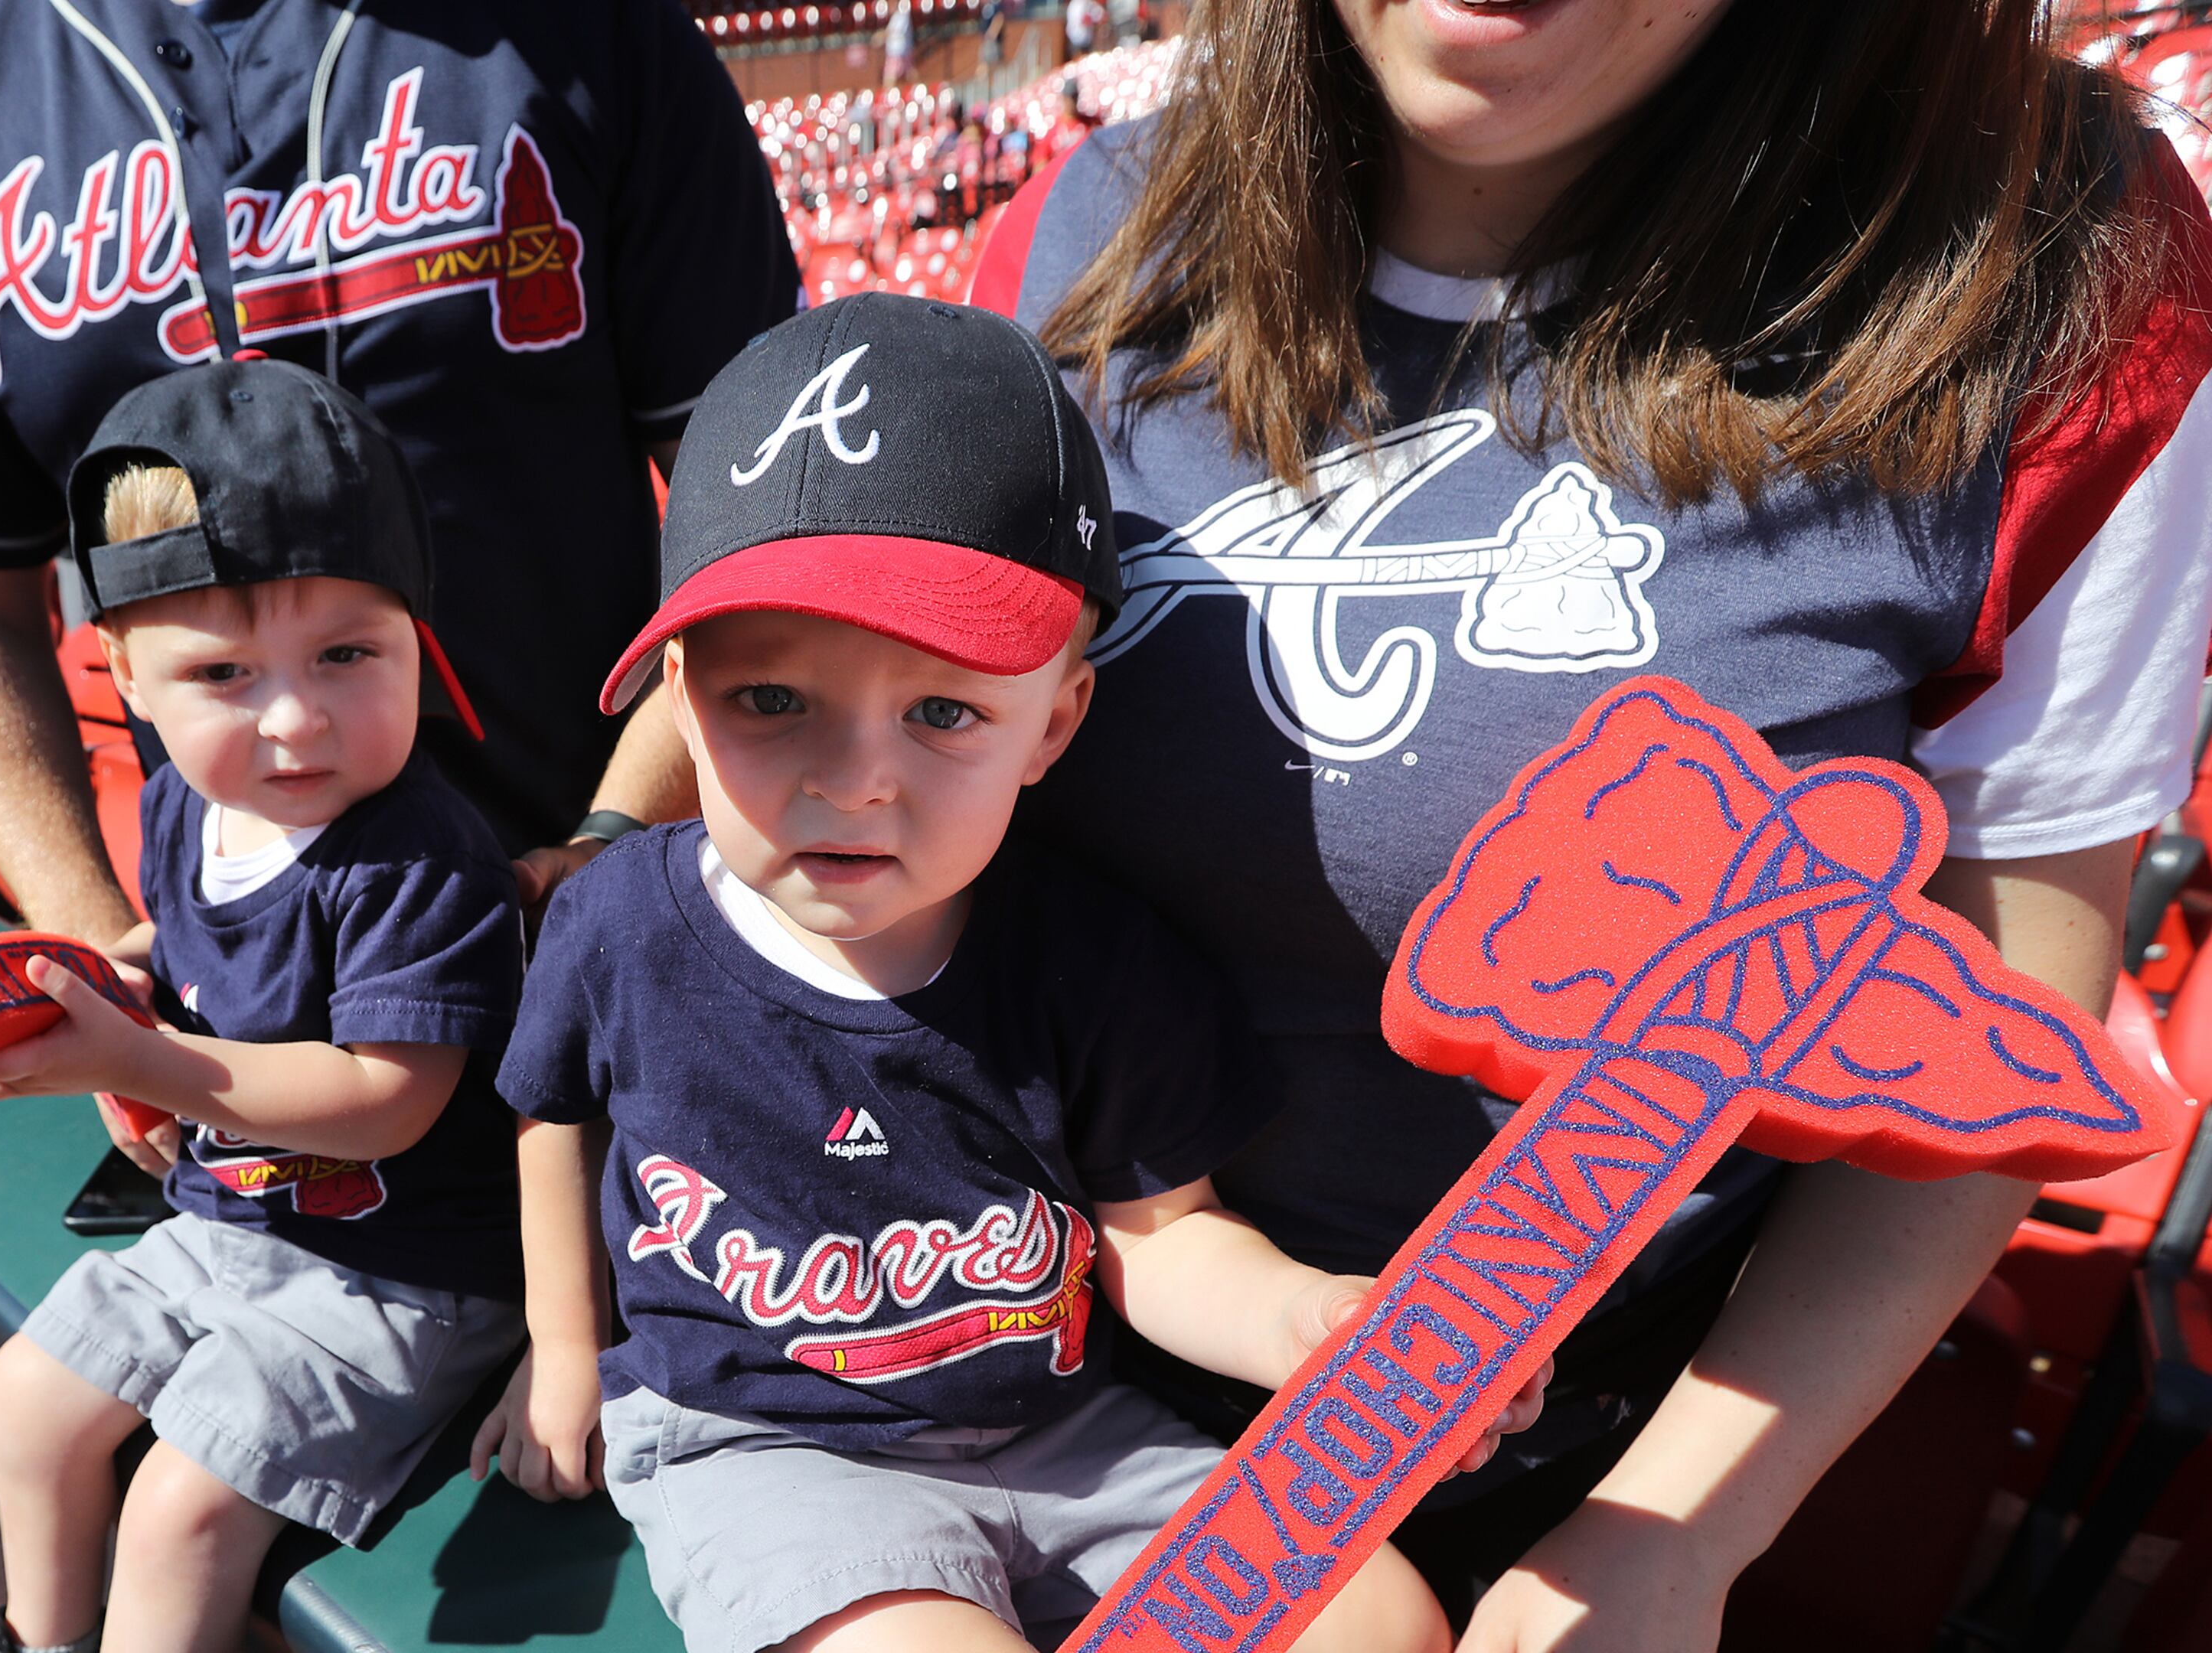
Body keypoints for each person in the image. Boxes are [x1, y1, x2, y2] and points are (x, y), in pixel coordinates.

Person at [955, 2, 2212, 1644]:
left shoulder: (2060, 269)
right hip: (1048, 1394)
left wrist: (1669, 1535)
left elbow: (2004, 986)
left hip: (1617, 1452)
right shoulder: (1067, 231)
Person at [475, 296, 1546, 1653]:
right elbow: (551, 1116)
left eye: (942, 711)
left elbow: (1159, 1243)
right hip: (772, 1449)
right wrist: (564, 1352)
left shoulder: (1092, 954)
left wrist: (1311, 1320)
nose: (855, 778)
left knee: (1379, 1622)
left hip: (1071, 1434)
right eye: (770, 699)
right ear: (680, 696)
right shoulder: (622, 921)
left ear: (1056, 721)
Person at [0, 0, 800, 958]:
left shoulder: (600, 30)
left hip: (637, 910)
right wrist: (86, 938)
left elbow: (771, 513)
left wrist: (618, 844)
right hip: (244, 970)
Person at [0, 360, 525, 1653]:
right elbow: (199, 936)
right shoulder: (177, 808)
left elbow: (387, 1102)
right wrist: (119, 985)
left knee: (179, 1506)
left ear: (416, 644)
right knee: (27, 1398)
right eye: (221, 673)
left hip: (406, 1270)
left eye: (347, 654)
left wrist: (145, 1058)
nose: (295, 718)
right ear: (128, 679)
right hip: (231, 1216)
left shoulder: (419, 853)